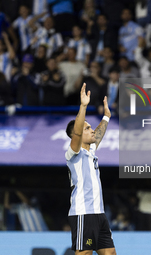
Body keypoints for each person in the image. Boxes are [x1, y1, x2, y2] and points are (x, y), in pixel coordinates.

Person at [65, 83, 116, 254]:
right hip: (83, 213)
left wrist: (106, 117)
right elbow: (78, 133)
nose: (92, 129)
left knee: (110, 253)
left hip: (99, 213)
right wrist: (83, 106)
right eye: (87, 128)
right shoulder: (73, 153)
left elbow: (99, 133)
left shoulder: (91, 150)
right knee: (85, 253)